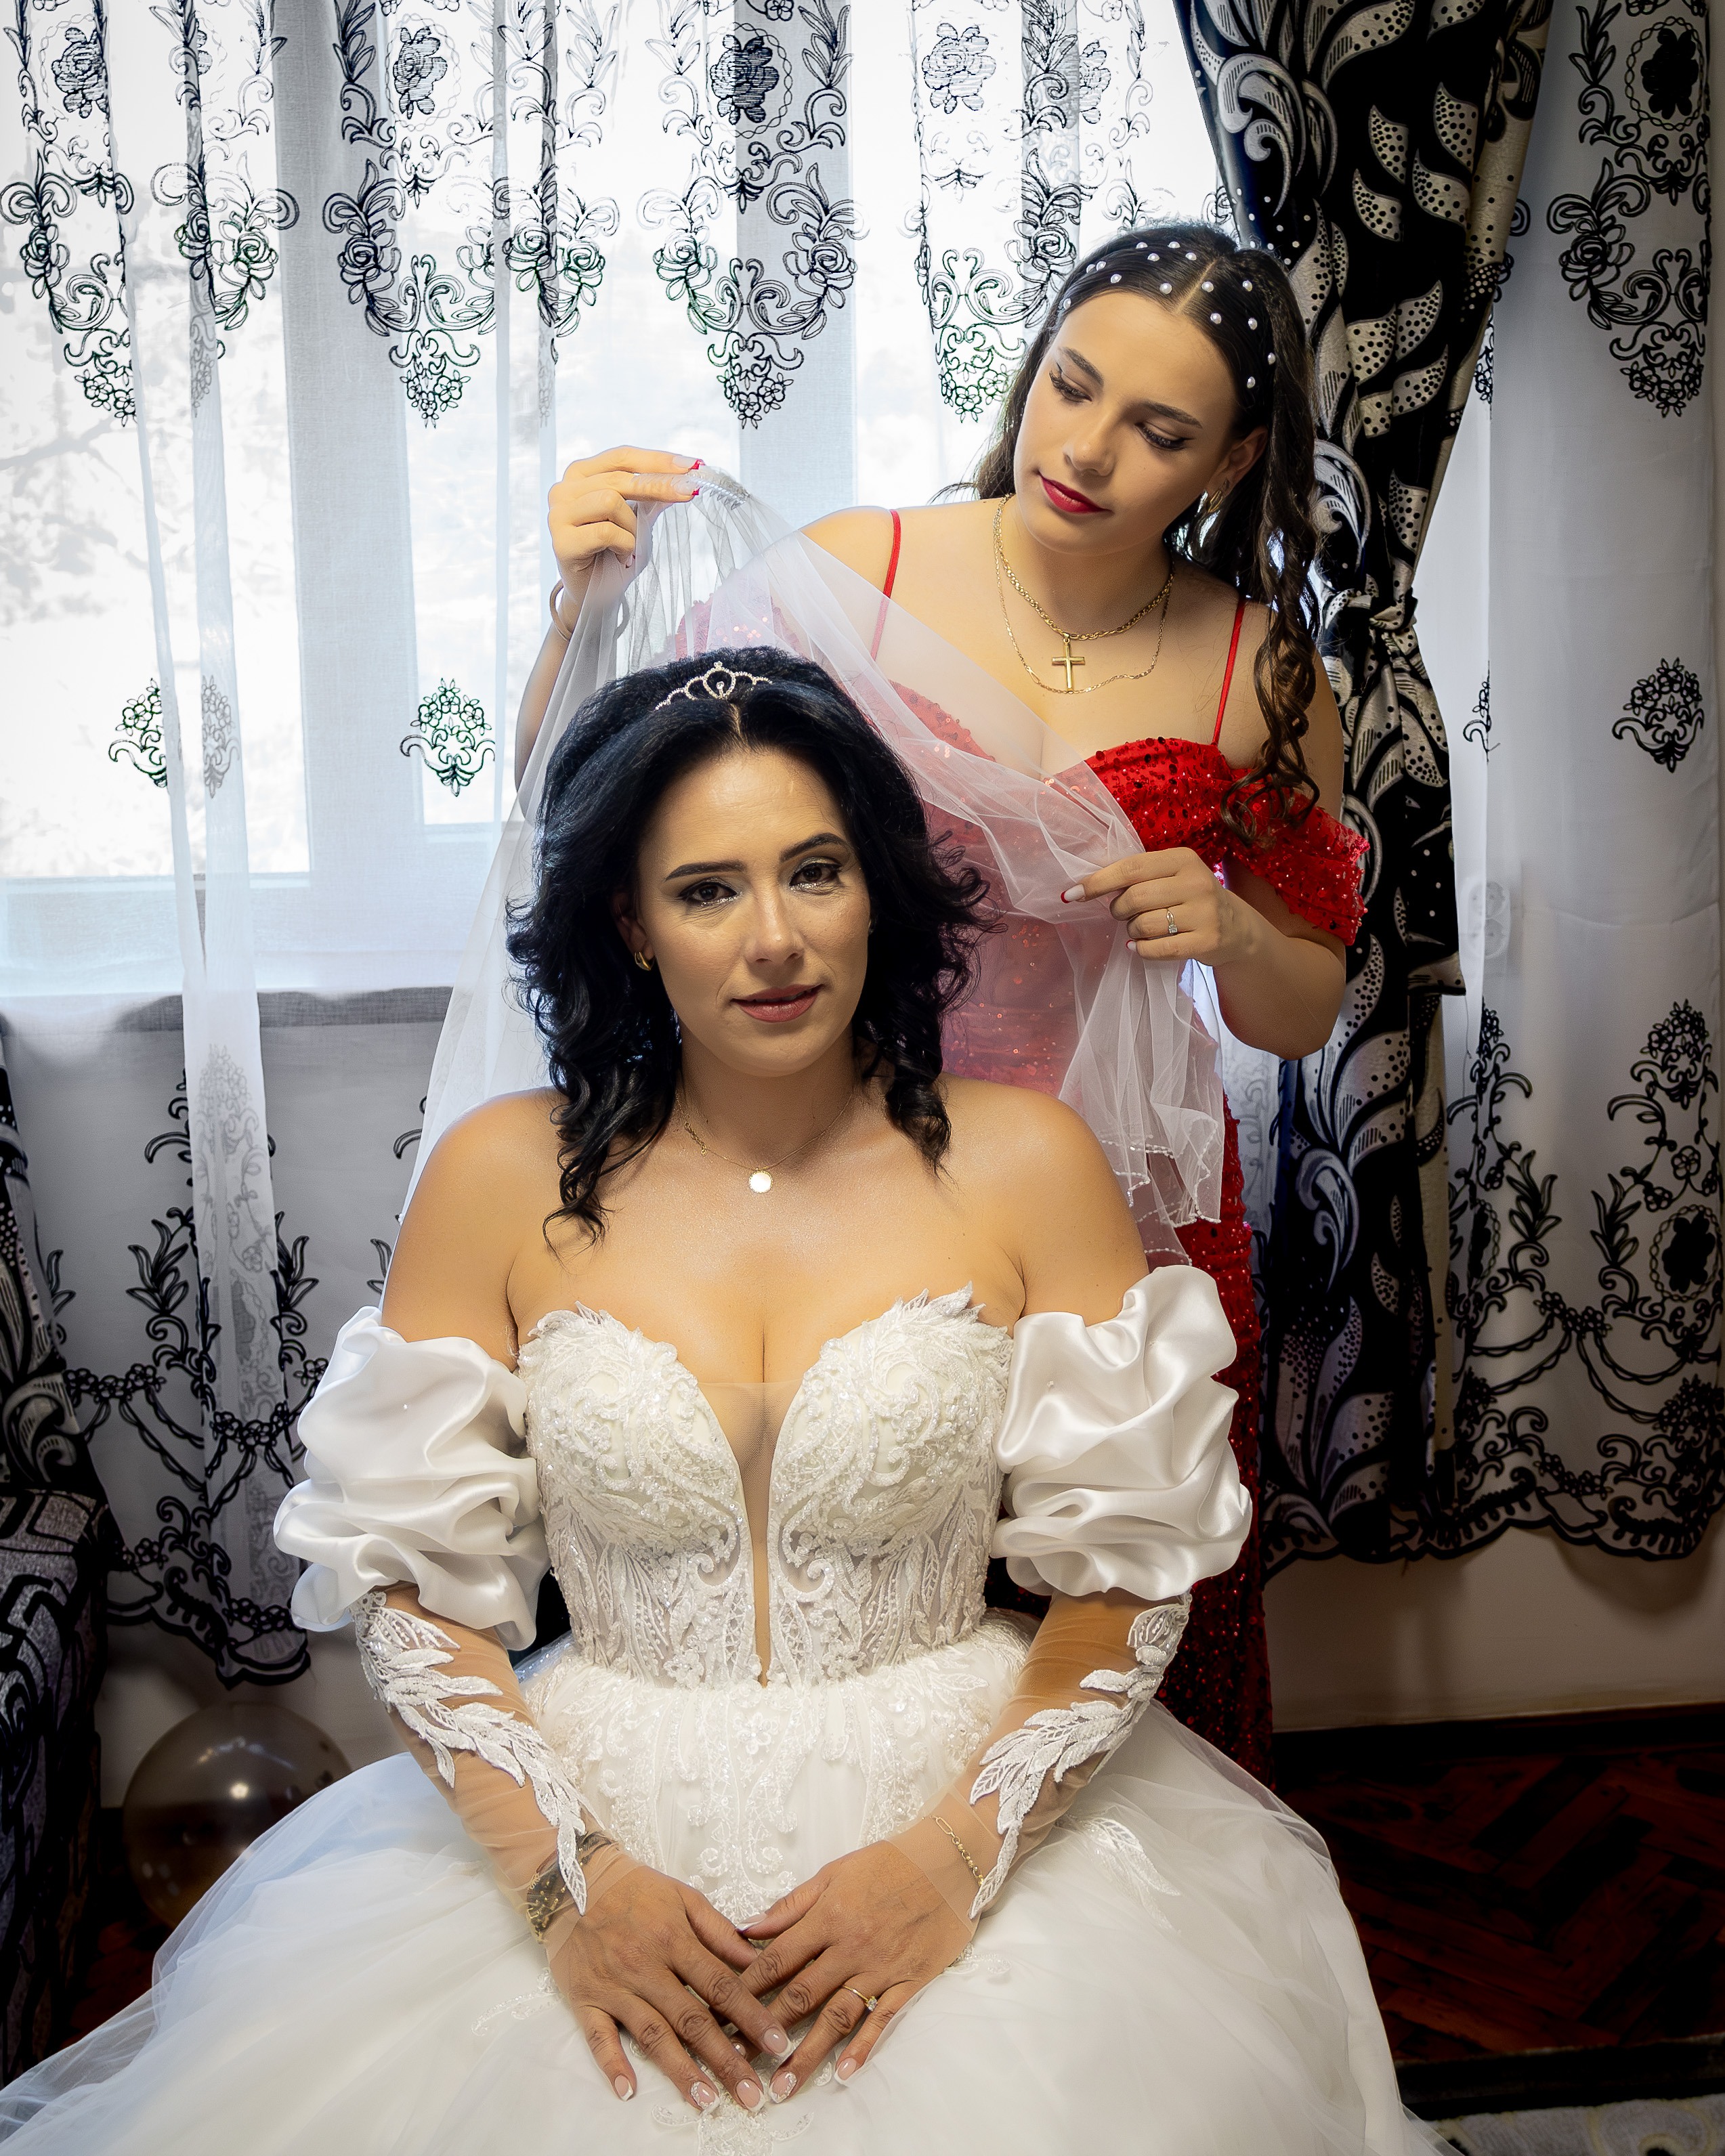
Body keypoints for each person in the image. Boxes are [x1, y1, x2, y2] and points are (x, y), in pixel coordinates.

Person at [1, 651, 1439, 2155]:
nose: (774, 940)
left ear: (874, 886)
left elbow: (1125, 1575)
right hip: (592, 1806)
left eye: (814, 870)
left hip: (959, 1791)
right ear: (628, 923)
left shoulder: (1029, 1160)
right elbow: (409, 1587)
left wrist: (951, 1861)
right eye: (705, 890)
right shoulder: (499, 1174)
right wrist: (570, 1887)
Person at [516, 223, 1363, 1784]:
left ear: (1233, 459)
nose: (1085, 451)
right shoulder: (859, 573)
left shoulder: (1261, 668)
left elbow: (1301, 1010)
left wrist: (1235, 931)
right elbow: (587, 814)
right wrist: (579, 611)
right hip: (847, 1165)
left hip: (1132, 1199)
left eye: (1156, 429)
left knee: (1111, 1585)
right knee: (862, 1581)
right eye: (1071, 386)